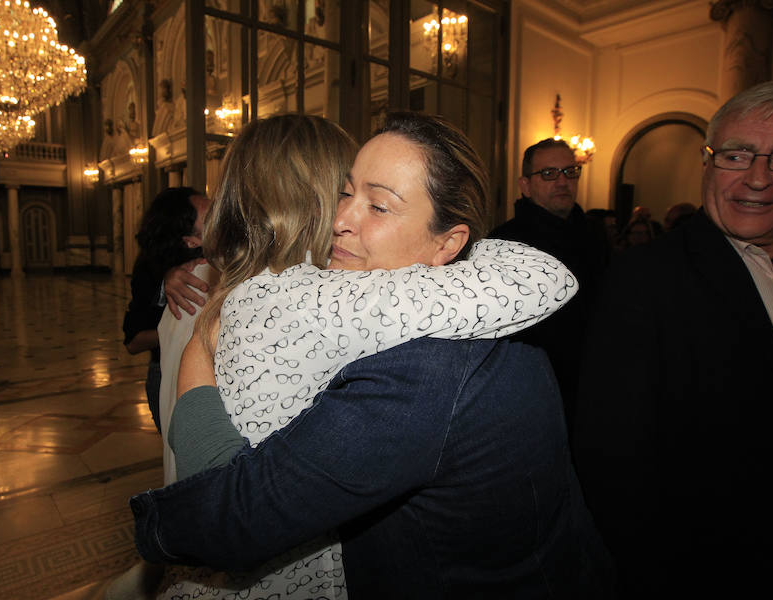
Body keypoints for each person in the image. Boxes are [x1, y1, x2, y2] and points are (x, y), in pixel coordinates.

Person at [132, 112, 613, 598]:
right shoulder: (453, 317)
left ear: (448, 244)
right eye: (344, 192)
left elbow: (232, 519)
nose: (339, 221)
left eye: (379, 206)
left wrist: (201, 339)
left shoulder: (418, 370)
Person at [575, 79, 773, 598]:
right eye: (737, 155)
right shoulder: (644, 279)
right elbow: (612, 463)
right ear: (708, 162)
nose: (758, 178)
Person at [487, 138, 609, 428]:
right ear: (525, 185)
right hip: (535, 395)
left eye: (570, 171)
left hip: (596, 383)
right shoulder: (504, 243)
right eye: (549, 174)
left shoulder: (595, 235)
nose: (562, 182)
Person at [121, 187, 207, 432]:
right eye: (210, 216)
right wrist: (182, 330)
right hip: (168, 373)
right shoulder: (153, 272)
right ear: (190, 240)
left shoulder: (215, 260)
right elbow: (133, 341)